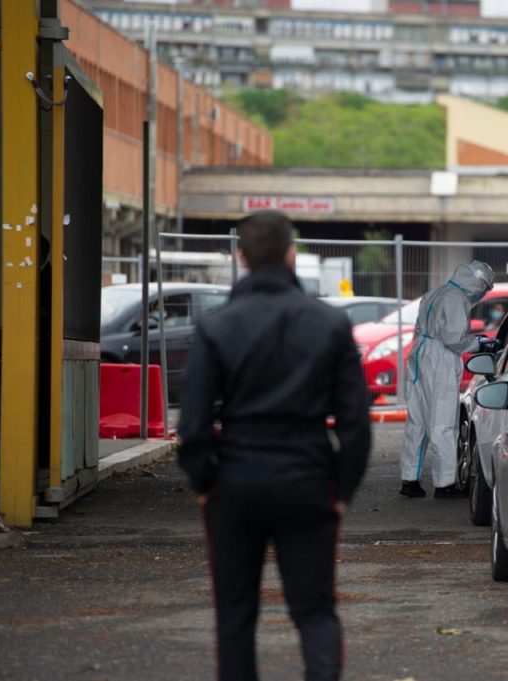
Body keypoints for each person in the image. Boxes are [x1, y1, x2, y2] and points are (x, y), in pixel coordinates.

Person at [177, 210, 371, 681]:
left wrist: (205, 482)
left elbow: (194, 424)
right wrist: (341, 491)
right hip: (306, 479)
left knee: (236, 616)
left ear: (241, 258)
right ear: (290, 254)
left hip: (235, 483)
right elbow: (355, 423)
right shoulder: (329, 323)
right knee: (315, 610)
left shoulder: (217, 327)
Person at [400, 261, 498, 499]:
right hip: (440, 361)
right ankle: (444, 484)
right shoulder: (457, 298)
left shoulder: (437, 292)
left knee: (417, 421)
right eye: (484, 287)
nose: (483, 292)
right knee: (443, 422)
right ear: (476, 283)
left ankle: (409, 479)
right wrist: (480, 344)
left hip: (420, 356)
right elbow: (454, 338)